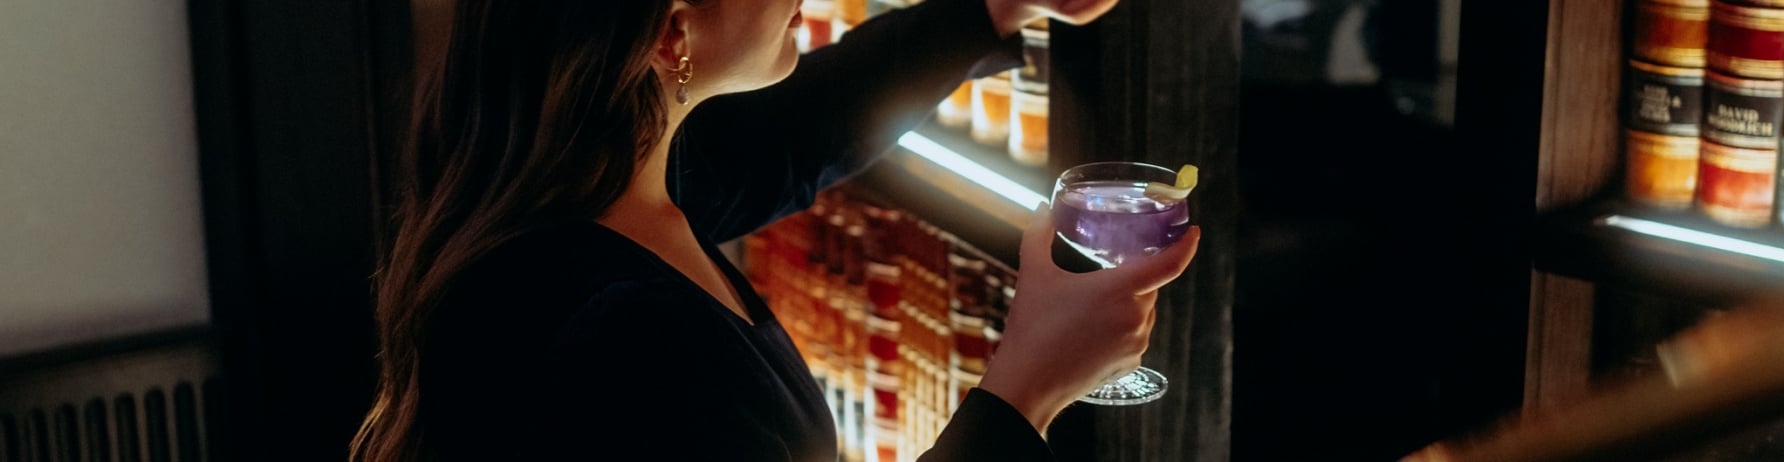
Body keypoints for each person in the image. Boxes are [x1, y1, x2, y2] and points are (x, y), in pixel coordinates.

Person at [349, 0, 1202, 460]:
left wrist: (988, 11)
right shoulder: (620, 341)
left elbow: (794, 133)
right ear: (670, 30)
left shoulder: (574, 177)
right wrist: (1026, 387)